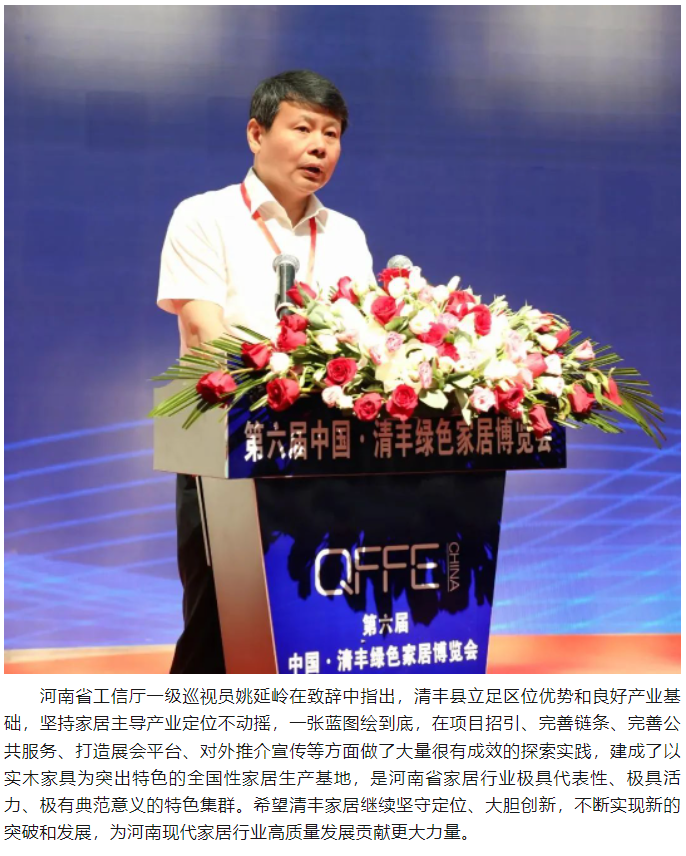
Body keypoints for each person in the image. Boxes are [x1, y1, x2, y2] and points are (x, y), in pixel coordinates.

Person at [156, 70, 376, 673]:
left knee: (317, 626)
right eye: (302, 128)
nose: (319, 146)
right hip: (229, 445)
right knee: (222, 626)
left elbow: (363, 340)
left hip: (327, 450)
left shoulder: (346, 234)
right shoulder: (205, 216)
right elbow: (203, 333)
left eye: (331, 133)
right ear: (257, 134)